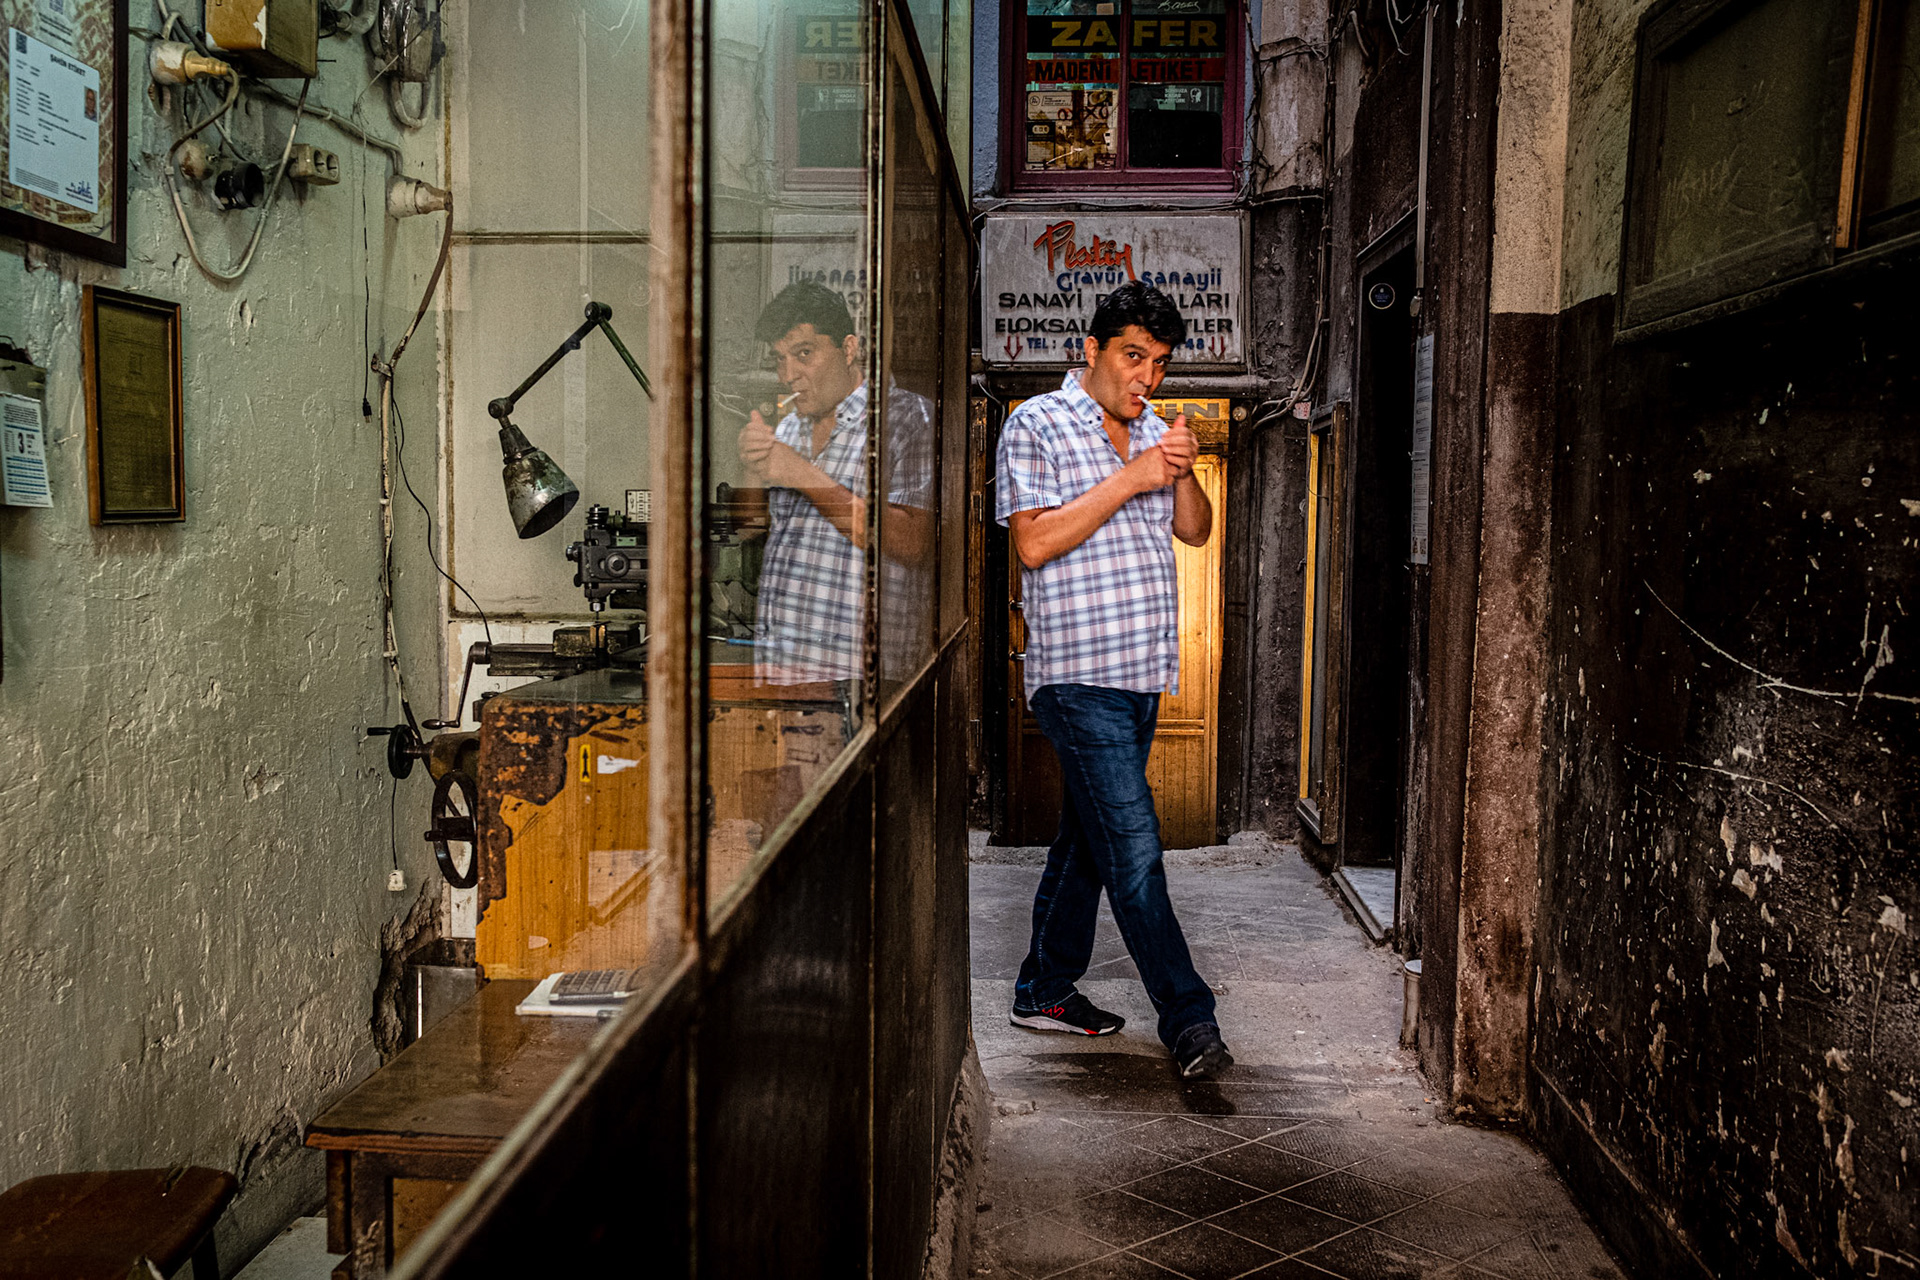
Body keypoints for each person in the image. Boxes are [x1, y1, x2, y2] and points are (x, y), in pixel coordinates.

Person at [994, 281, 1231, 1079]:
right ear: (1090, 351)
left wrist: (1181, 468)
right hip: (1076, 675)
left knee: (1088, 842)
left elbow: (1195, 533)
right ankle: (1190, 1021)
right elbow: (1033, 544)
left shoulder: (1153, 432)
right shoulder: (1036, 423)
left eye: (1160, 363)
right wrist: (1131, 478)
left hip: (1139, 674)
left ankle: (1044, 988)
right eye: (1134, 356)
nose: (1147, 377)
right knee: (1133, 849)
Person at [736, 280, 932, 688]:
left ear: (848, 349)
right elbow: (750, 527)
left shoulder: (906, 418)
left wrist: (804, 476)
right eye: (780, 359)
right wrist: (754, 465)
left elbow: (914, 542)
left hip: (860, 679)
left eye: (804, 354)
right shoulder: (789, 427)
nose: (789, 375)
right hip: (781, 667)